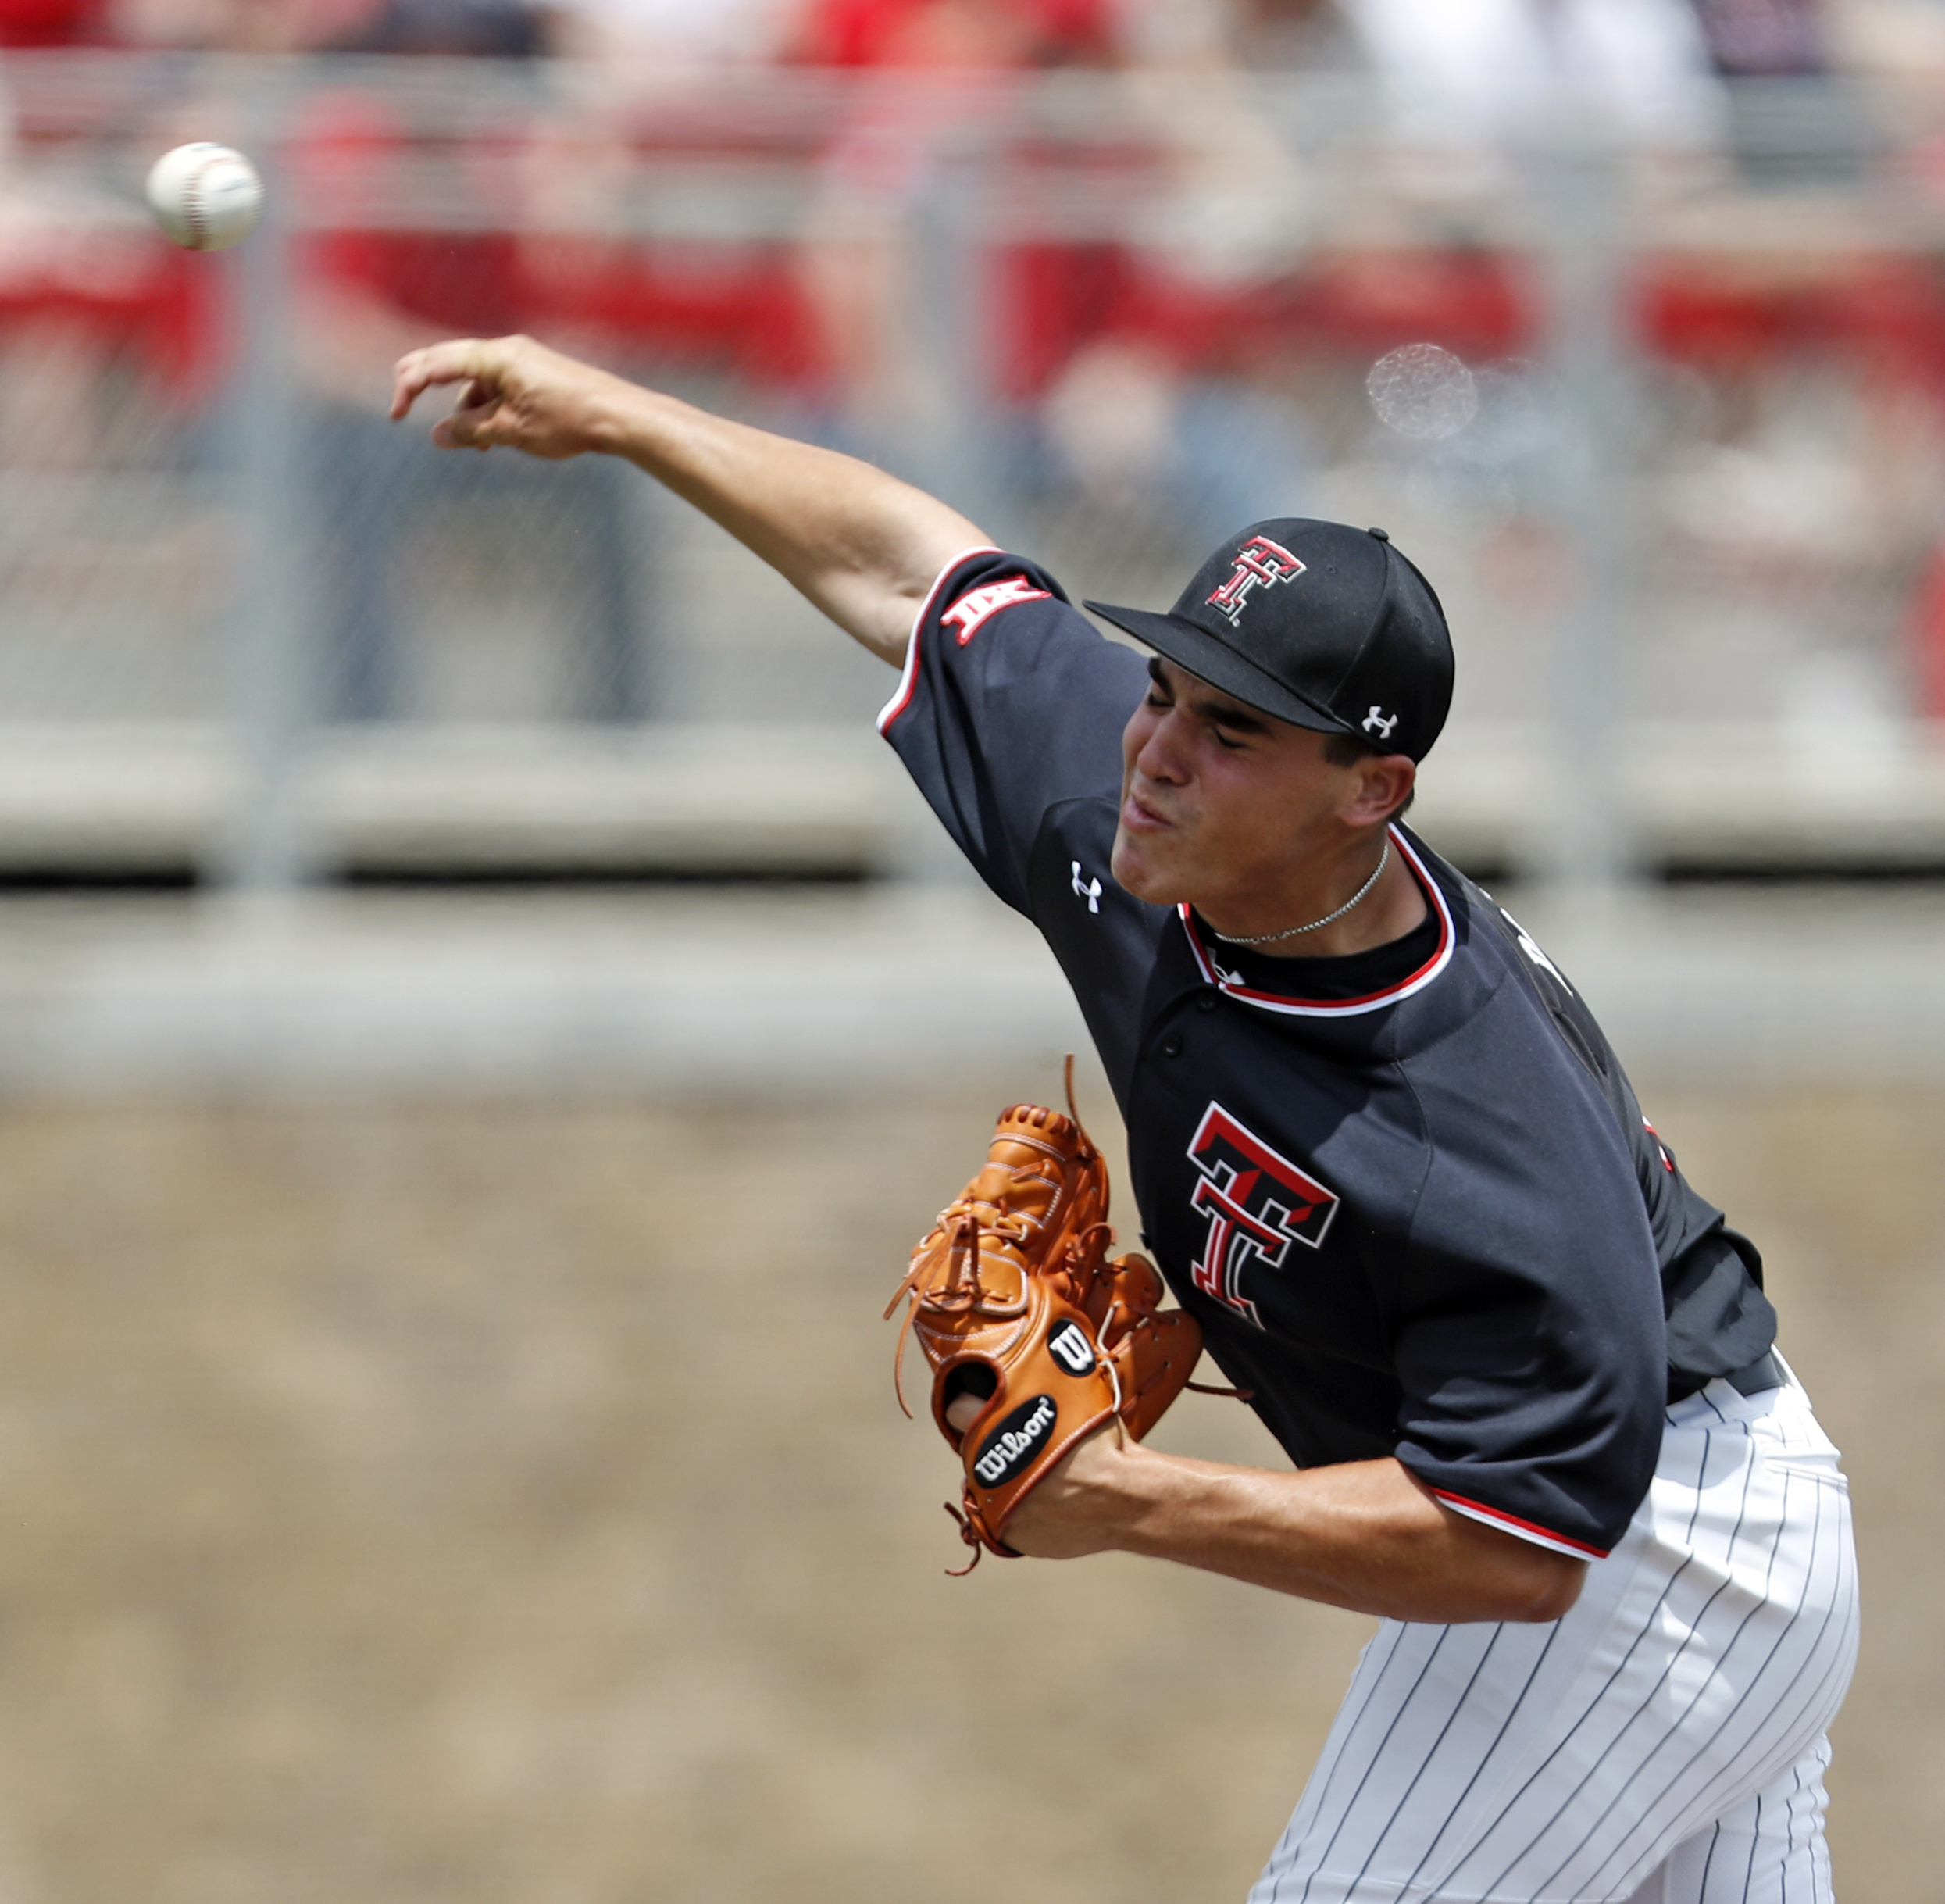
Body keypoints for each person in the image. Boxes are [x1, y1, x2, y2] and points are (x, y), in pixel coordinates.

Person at [389, 332, 1861, 1904]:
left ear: (1373, 791)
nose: (1157, 753)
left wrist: (1129, 1500)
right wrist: (614, 414)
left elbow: (1515, 1542)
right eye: (1163, 688)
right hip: (1673, 1534)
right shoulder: (1132, 810)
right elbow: (915, 577)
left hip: (1656, 1551)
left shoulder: (1465, 1115)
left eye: (1233, 731)